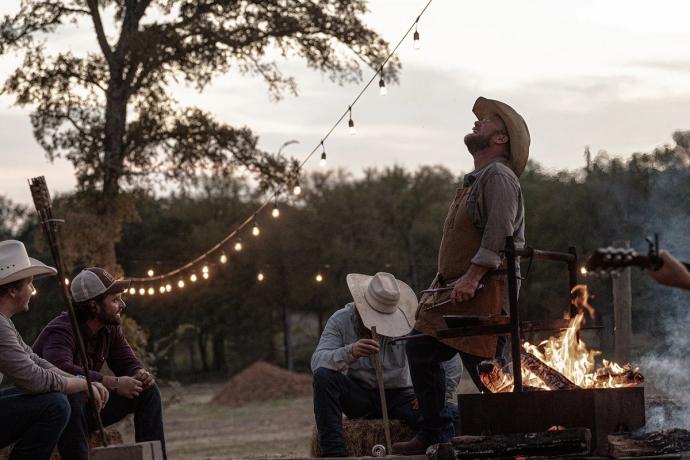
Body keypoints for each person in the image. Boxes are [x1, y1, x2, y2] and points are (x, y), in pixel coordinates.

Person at [393, 97, 530, 454]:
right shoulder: (478, 179)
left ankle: (518, 436)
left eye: (485, 122)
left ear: (501, 140)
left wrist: (471, 277)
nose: (477, 124)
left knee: (487, 368)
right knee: (421, 347)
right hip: (457, 288)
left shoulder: (499, 176)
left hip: (487, 287)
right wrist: (447, 282)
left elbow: (498, 231)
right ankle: (435, 432)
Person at [311, 272, 461, 457]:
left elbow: (451, 359)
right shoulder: (341, 320)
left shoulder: (412, 321)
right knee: (323, 378)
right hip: (358, 395)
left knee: (452, 414)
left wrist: (439, 394)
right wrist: (350, 352)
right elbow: (317, 362)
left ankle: (444, 451)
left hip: (402, 396)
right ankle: (334, 454)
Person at [33, 267, 167, 460]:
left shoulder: (109, 328)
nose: (122, 305)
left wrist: (139, 373)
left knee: (147, 391)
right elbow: (60, 369)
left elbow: (127, 361)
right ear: (93, 305)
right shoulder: (61, 330)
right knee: (71, 395)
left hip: (88, 410)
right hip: (54, 414)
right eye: (114, 300)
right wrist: (114, 383)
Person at [0, 240, 108, 460]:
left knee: (63, 396)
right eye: (29, 283)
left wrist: (80, 381)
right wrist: (84, 384)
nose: (33, 289)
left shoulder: (5, 323)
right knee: (55, 405)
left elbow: (37, 361)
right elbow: (34, 380)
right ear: (12, 290)